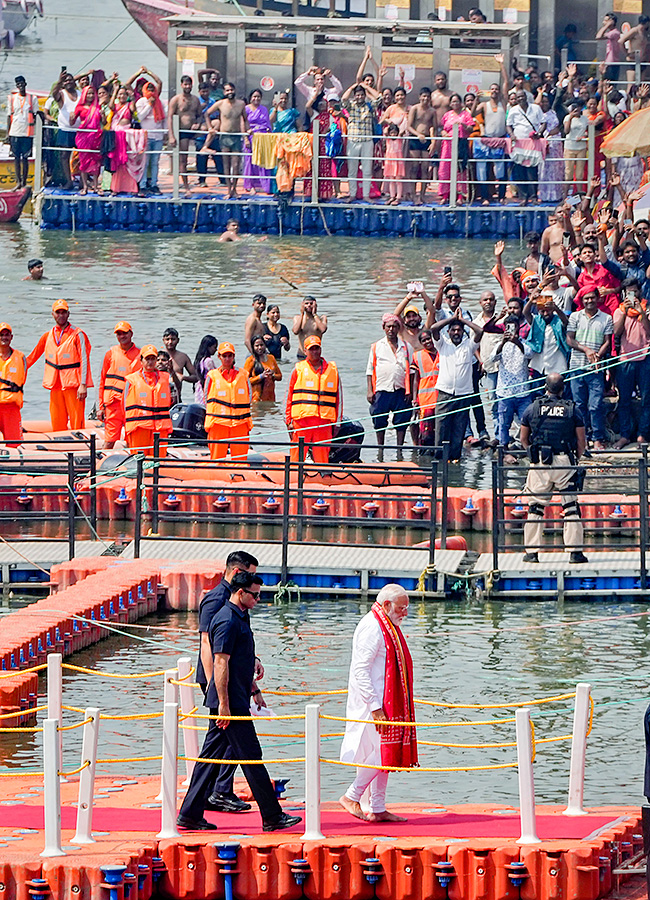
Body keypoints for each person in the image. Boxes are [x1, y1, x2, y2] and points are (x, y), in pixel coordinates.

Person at [177, 570, 302, 833]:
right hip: (230, 704)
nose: (258, 599)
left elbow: (239, 659)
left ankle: (189, 814)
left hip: (235, 698)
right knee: (251, 756)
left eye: (260, 595)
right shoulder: (227, 620)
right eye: (254, 595)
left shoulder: (240, 617)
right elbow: (220, 662)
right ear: (240, 592)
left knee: (209, 759)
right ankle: (272, 816)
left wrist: (254, 686)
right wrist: (223, 704)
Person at [339, 584, 416, 823]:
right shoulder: (373, 627)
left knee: (385, 755)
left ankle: (378, 806)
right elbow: (360, 670)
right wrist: (374, 706)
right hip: (374, 705)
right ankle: (352, 796)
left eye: (406, 608)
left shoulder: (389, 626)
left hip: (388, 703)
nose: (405, 613)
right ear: (386, 605)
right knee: (383, 755)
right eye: (401, 608)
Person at [194, 549, 260, 814]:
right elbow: (208, 645)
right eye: (251, 578)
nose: (255, 588)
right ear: (237, 574)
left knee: (222, 739)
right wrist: (215, 688)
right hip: (219, 680)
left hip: (233, 679)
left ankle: (209, 795)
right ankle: (218, 791)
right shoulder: (218, 600)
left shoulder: (238, 602)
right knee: (229, 735)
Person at [520, 373, 587, 564]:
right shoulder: (572, 410)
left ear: (545, 387)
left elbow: (523, 439)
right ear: (563, 388)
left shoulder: (532, 408)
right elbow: (581, 442)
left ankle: (531, 553)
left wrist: (532, 455)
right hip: (564, 460)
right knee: (571, 506)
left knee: (536, 507)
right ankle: (575, 552)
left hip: (540, 462)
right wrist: (574, 460)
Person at [26, 300, 92, 432]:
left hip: (73, 386)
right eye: (58, 312)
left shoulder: (78, 334)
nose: (61, 315)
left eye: (63, 312)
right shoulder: (47, 335)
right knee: (57, 421)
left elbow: (84, 360)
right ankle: (60, 447)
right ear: (53, 314)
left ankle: (79, 448)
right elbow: (32, 357)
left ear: (68, 314)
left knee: (76, 423)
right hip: (55, 384)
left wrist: (83, 385)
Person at [431, 311, 484, 461]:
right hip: (445, 393)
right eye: (453, 330)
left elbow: (480, 331)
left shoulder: (469, 346)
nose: (456, 332)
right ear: (448, 332)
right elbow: (433, 329)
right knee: (441, 427)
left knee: (459, 428)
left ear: (463, 332)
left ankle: (455, 458)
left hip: (464, 394)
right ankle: (439, 458)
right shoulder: (443, 344)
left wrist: (462, 321)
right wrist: (452, 319)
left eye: (458, 330)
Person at [567, 289, 613, 450]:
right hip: (576, 367)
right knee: (579, 405)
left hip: (595, 369)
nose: (589, 301)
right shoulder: (575, 317)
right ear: (582, 300)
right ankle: (583, 439)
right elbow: (570, 340)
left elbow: (607, 341)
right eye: (586, 298)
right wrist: (586, 350)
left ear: (598, 298)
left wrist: (598, 356)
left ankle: (598, 437)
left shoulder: (606, 318)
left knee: (596, 404)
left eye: (592, 298)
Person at [285, 335, 340, 464]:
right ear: (305, 351)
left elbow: (339, 399)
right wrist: (288, 421)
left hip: (323, 423)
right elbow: (288, 396)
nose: (314, 352)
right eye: (311, 349)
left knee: (322, 460)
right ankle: (294, 479)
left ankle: (322, 479)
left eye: (317, 348)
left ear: (321, 349)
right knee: (296, 459)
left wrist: (337, 422)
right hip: (302, 422)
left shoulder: (333, 370)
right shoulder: (297, 370)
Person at [366, 314, 413, 459]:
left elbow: (411, 371)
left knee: (402, 420)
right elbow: (369, 370)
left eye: (394, 326)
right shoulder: (376, 347)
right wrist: (369, 391)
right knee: (379, 420)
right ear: (383, 328)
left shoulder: (406, 347)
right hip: (381, 389)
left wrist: (410, 391)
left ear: (399, 328)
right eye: (388, 327)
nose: (391, 329)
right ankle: (380, 450)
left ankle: (399, 450)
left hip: (401, 390)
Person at [613, 279, 650, 447]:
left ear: (639, 292)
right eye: (628, 292)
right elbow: (617, 333)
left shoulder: (647, 308)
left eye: (634, 292)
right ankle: (625, 435)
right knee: (624, 399)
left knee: (646, 399)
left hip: (645, 358)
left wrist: (641, 312)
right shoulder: (619, 311)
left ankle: (643, 434)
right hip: (625, 359)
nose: (632, 295)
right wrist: (626, 311)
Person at [488, 314, 533, 451]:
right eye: (508, 327)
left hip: (522, 392)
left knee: (527, 422)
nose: (511, 330)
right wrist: (503, 343)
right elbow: (492, 358)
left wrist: (516, 342)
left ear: (518, 328)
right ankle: (504, 449)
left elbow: (529, 354)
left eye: (513, 327)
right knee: (504, 423)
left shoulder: (525, 343)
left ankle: (526, 446)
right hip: (504, 392)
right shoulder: (499, 345)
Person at [204, 342, 252, 461]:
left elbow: (250, 396)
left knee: (240, 460)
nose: (227, 359)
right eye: (224, 356)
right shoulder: (212, 376)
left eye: (230, 356)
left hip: (240, 423)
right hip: (218, 423)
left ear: (234, 357)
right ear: (219, 357)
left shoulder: (244, 375)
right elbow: (206, 397)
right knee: (216, 460)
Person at [123, 344, 172, 457]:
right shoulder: (132, 380)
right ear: (141, 360)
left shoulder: (165, 378)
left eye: (153, 359)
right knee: (139, 459)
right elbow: (124, 406)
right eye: (147, 359)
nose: (150, 362)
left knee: (159, 460)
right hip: (139, 427)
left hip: (160, 427)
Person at [99, 322, 141, 449]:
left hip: (132, 405)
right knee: (109, 440)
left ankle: (133, 466)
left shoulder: (140, 355)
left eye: (125, 333)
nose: (122, 336)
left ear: (131, 334)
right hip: (113, 405)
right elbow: (101, 381)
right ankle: (100, 464)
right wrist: (100, 406)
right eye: (119, 334)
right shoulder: (110, 354)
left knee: (131, 439)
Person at [203, 84, 249, 200]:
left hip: (236, 136)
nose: (230, 92)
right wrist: (210, 128)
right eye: (227, 90)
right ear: (224, 92)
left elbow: (245, 119)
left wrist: (247, 132)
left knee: (236, 164)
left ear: (235, 90)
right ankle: (229, 190)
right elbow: (206, 113)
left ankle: (235, 189)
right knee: (226, 164)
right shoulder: (220, 103)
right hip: (224, 136)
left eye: (231, 90)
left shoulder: (241, 104)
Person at [506, 90, 545, 205]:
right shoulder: (513, 110)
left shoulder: (536, 108)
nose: (521, 99)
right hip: (519, 144)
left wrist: (539, 133)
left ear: (526, 97)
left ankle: (533, 197)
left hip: (533, 143)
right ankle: (523, 197)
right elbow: (508, 125)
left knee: (532, 171)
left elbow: (543, 123)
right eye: (518, 97)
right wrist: (512, 135)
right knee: (520, 171)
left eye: (522, 96)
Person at [524, 294, 570, 388]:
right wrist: (530, 301)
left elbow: (565, 321)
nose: (545, 314)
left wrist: (556, 308)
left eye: (548, 311)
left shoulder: (558, 320)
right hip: (539, 365)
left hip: (557, 364)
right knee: (537, 393)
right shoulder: (536, 320)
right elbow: (526, 313)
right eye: (542, 311)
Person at [168, 76, 204, 194]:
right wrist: (171, 136)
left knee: (209, 129)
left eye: (189, 84)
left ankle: (206, 147)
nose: (187, 86)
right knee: (183, 160)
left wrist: (198, 123)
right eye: (185, 84)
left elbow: (200, 115)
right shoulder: (176, 99)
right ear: (181, 85)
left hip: (193, 130)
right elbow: (169, 118)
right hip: (182, 131)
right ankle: (186, 186)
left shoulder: (195, 100)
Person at [109, 83, 147, 195]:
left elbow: (133, 109)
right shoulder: (115, 106)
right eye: (120, 94)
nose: (122, 96)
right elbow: (111, 105)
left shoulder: (129, 105)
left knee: (128, 160)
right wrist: (115, 90)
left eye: (124, 94)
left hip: (127, 136)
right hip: (117, 134)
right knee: (118, 160)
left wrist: (133, 98)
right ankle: (116, 187)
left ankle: (131, 187)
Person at [342, 84, 375, 203]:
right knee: (352, 170)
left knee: (367, 170)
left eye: (362, 94)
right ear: (355, 96)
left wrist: (366, 86)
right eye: (358, 95)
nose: (360, 97)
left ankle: (366, 195)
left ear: (365, 95)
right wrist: (352, 87)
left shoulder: (369, 106)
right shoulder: (351, 106)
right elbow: (344, 99)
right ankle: (352, 194)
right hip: (353, 140)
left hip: (367, 141)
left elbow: (379, 98)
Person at [438, 94, 474, 203]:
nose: (455, 104)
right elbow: (442, 128)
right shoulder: (447, 115)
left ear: (461, 103)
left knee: (460, 169)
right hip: (448, 144)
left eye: (457, 101)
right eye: (453, 102)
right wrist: (443, 133)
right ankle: (445, 195)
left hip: (461, 142)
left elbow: (471, 129)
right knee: (445, 168)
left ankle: (460, 196)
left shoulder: (466, 115)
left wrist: (463, 125)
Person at [6, 76, 39, 189]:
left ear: (25, 84)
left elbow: (35, 115)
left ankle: (24, 182)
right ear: (16, 86)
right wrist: (7, 133)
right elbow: (9, 116)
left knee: (25, 158)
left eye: (22, 83)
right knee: (16, 157)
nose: (20, 86)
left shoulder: (32, 98)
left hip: (27, 132)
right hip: (15, 131)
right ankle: (18, 182)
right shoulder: (12, 98)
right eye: (18, 84)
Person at [135, 70, 166, 193]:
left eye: (153, 89)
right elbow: (140, 117)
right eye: (149, 89)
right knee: (145, 162)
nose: (151, 91)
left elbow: (164, 119)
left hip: (158, 136)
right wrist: (149, 105)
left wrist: (165, 134)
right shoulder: (141, 102)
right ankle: (142, 185)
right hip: (146, 136)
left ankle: (154, 184)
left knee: (155, 162)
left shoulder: (160, 102)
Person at [70, 85, 103, 195]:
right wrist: (71, 117)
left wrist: (102, 116)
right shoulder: (79, 107)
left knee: (96, 161)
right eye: (88, 93)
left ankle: (95, 186)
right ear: (84, 94)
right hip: (83, 136)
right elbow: (72, 123)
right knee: (83, 161)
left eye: (92, 93)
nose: (90, 96)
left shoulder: (97, 107)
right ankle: (84, 186)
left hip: (95, 136)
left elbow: (104, 123)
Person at [407, 88, 437, 206]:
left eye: (427, 97)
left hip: (426, 139)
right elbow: (409, 126)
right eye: (423, 96)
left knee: (425, 168)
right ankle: (414, 194)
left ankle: (423, 194)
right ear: (420, 97)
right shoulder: (414, 108)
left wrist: (433, 140)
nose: (425, 99)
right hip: (415, 138)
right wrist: (417, 134)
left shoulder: (432, 111)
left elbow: (433, 127)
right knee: (414, 167)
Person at [51, 70, 79, 190]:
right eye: (66, 80)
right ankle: (69, 181)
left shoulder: (80, 93)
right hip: (65, 129)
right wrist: (59, 81)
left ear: (74, 82)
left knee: (82, 155)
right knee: (64, 155)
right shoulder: (61, 93)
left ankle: (82, 180)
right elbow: (54, 94)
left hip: (79, 129)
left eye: (70, 80)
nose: (68, 82)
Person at [411, 328, 439, 446]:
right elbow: (415, 380)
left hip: (441, 398)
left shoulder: (442, 352)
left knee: (440, 429)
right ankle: (425, 456)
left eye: (429, 338)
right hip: (425, 400)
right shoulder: (417, 356)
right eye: (424, 340)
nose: (427, 341)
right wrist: (414, 399)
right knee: (426, 432)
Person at [0, 323, 26, 447]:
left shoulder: (20, 358)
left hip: (11, 408)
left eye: (7, 335)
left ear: (11, 337)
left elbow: (23, 379)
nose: (4, 338)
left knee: (14, 444)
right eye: (1, 335)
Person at [243, 89, 272, 194]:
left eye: (258, 97)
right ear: (250, 98)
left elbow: (268, 124)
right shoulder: (246, 109)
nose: (256, 99)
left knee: (262, 162)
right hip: (250, 137)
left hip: (263, 138)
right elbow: (243, 124)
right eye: (254, 96)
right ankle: (251, 186)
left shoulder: (264, 109)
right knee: (250, 162)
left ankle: (264, 186)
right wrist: (245, 137)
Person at [162, 328, 198, 400]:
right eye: (167, 339)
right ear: (163, 340)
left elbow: (196, 377)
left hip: (176, 397)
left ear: (178, 340)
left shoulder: (183, 357)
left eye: (173, 339)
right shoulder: (158, 356)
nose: (170, 342)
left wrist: (183, 377)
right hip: (161, 396)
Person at [244, 336, 282, 403]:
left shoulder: (271, 358)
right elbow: (245, 381)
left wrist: (272, 375)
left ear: (265, 345)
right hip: (256, 399)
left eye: (261, 345)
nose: (259, 348)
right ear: (253, 347)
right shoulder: (250, 360)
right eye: (257, 346)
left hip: (270, 398)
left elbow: (280, 376)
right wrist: (261, 376)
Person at [193, 335, 218, 407]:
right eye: (214, 347)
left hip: (199, 389)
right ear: (208, 347)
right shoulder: (208, 361)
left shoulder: (200, 360)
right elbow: (215, 376)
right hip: (206, 388)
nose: (215, 350)